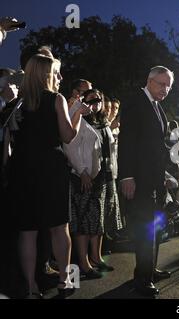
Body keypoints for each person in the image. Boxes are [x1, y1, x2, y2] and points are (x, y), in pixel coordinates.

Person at [7, 54, 87, 298]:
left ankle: (30, 286)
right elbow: (67, 136)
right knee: (58, 227)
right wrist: (78, 114)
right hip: (50, 169)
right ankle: (65, 280)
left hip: (21, 169)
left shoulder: (15, 104)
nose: (58, 77)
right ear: (46, 74)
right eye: (54, 72)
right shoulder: (56, 99)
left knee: (28, 231)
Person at [118, 66, 173, 296]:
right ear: (149, 81)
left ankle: (149, 268)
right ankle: (142, 280)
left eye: (168, 85)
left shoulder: (157, 107)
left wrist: (167, 175)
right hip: (139, 179)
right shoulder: (135, 102)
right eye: (161, 84)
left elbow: (159, 145)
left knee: (156, 227)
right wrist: (127, 176)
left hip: (156, 179)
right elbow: (127, 141)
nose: (165, 89)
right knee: (144, 230)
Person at [64, 89, 122, 278]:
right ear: (84, 102)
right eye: (91, 100)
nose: (96, 103)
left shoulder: (104, 121)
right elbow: (70, 146)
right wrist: (82, 172)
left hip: (104, 176)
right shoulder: (78, 119)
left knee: (98, 220)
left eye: (99, 99)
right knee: (83, 221)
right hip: (84, 177)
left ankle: (96, 257)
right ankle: (84, 263)